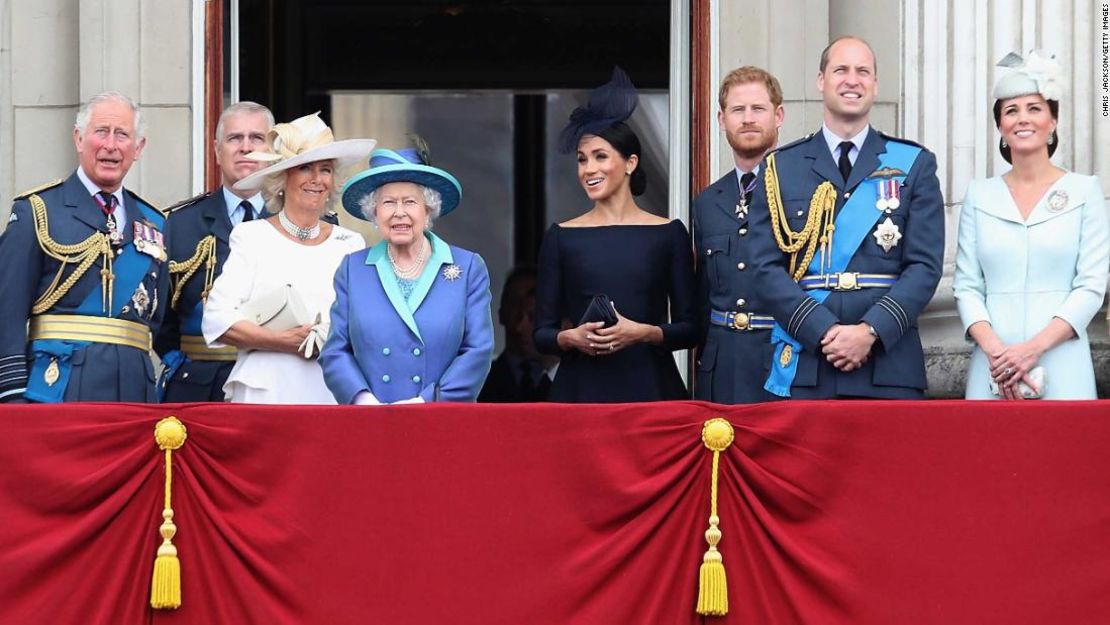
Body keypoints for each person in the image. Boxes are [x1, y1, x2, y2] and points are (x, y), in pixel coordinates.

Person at [746, 36, 944, 399]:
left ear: (875, 84)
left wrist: (869, 331)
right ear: (821, 80)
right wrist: (823, 330)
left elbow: (925, 267)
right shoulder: (780, 167)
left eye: (862, 71)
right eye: (841, 70)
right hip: (808, 363)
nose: (852, 80)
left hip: (888, 364)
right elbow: (764, 267)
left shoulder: (913, 163)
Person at [533, 67, 697, 402]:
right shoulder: (561, 236)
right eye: (581, 160)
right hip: (580, 393)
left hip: (650, 390)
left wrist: (643, 333)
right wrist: (572, 337)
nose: (588, 169)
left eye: (600, 156)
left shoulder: (668, 233)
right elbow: (542, 334)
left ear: (630, 162)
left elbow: (691, 328)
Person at [954, 51, 1109, 400]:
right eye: (1011, 111)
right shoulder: (980, 195)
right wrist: (998, 352)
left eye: (1034, 108)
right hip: (993, 365)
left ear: (1053, 121)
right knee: (987, 453)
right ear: (1000, 127)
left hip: (1062, 359)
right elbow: (966, 286)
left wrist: (1032, 349)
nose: (1023, 119)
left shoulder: (1083, 191)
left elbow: (1090, 286)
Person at [0, 91, 167, 403]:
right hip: (57, 389)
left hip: (134, 391)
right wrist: (11, 394)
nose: (111, 145)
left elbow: (157, 321)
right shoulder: (38, 211)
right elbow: (6, 311)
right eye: (101, 131)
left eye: (122, 135)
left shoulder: (154, 222)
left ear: (138, 148)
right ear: (78, 139)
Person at [201, 112, 374, 403]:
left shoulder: (350, 244)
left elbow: (365, 323)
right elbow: (218, 320)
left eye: (326, 170)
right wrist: (281, 342)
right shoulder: (252, 236)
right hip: (267, 391)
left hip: (330, 391)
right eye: (305, 168)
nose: (317, 180)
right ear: (282, 177)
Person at [321, 146, 494, 404]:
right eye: (388, 202)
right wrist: (362, 399)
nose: (399, 212)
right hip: (372, 418)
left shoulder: (467, 268)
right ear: (374, 213)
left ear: (428, 210)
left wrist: (427, 402)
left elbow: (478, 351)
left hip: (439, 418)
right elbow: (335, 351)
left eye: (410, 202)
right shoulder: (353, 270)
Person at [155, 101, 274, 402]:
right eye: (235, 138)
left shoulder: (300, 222)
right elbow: (159, 315)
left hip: (276, 382)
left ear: (273, 151)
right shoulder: (178, 224)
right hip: (198, 386)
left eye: (256, 138)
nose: (245, 148)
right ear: (216, 149)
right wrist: (175, 360)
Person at [692, 66, 785, 404]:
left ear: (779, 116)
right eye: (737, 110)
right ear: (721, 119)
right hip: (722, 369)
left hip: (782, 363)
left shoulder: (803, 191)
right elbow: (703, 297)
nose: (747, 119)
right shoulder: (706, 203)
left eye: (758, 109)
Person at [479, 266, 558, 402]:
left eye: (533, 313)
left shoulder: (566, 377)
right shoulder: (479, 379)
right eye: (515, 302)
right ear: (501, 312)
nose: (522, 324)